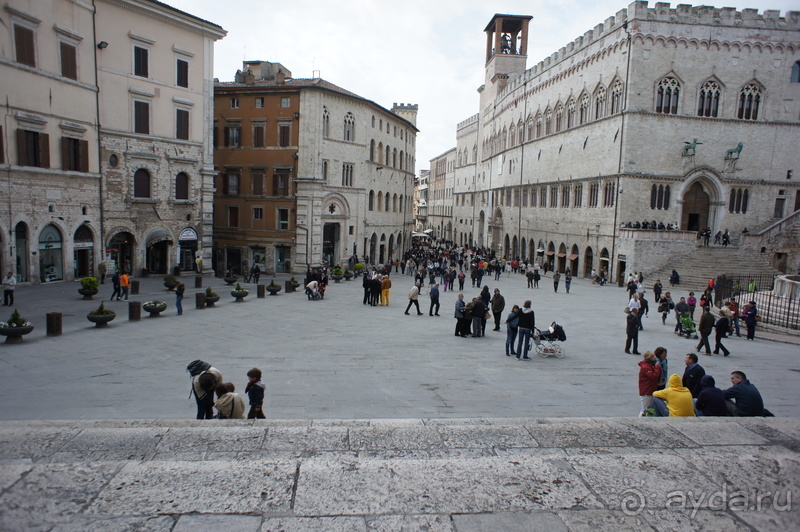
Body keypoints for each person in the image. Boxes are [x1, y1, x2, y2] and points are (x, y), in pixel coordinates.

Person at [638, 351, 662, 416]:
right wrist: (657, 368)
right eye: (653, 356)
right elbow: (654, 376)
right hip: (646, 391)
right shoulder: (646, 367)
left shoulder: (649, 365)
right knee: (645, 409)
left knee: (649, 409)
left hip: (650, 389)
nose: (655, 358)